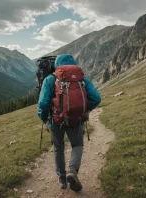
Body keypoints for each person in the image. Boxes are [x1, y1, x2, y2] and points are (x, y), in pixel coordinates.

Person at [37, 54, 101, 191]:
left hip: (56, 121)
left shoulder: (50, 79)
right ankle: (73, 171)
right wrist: (84, 110)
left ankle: (62, 178)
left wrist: (44, 119)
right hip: (76, 120)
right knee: (77, 145)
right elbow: (96, 98)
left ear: (56, 65)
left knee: (58, 148)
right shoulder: (82, 79)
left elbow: (42, 103)